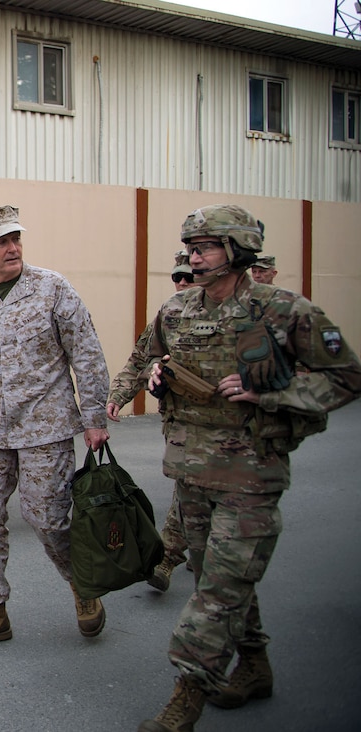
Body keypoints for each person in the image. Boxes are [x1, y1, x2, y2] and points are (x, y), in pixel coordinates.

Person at [137, 204, 361, 732]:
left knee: (218, 590)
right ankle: (255, 664)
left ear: (238, 250)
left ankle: (187, 692)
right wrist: (154, 378)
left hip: (252, 475)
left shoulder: (283, 310)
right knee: (221, 580)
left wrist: (276, 391)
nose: (194, 254)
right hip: (191, 471)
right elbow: (152, 356)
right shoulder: (176, 310)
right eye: (191, 246)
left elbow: (347, 376)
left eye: (207, 246)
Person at [0, 205, 111, 647]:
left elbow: (85, 353)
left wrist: (94, 418)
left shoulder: (52, 288)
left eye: (15, 239)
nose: (12, 248)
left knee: (47, 518)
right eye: (1, 242)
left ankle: (83, 587)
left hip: (44, 425)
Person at [105, 250, 195, 592]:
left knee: (205, 491)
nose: (183, 282)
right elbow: (138, 359)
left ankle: (175, 553)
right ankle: (171, 555)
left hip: (231, 426)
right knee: (189, 485)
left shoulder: (239, 317)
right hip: (182, 420)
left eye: (190, 276)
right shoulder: (168, 316)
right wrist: (118, 396)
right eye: (178, 277)